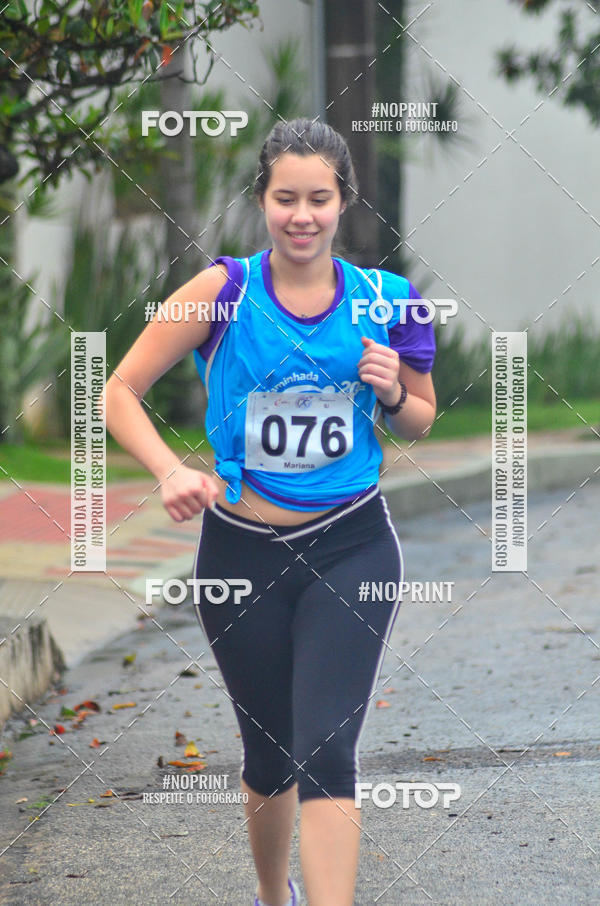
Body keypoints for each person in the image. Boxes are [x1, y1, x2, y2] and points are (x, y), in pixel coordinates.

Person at [103, 117, 436, 906]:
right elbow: (118, 391)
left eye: (319, 198)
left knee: (327, 748)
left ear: (343, 202)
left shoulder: (391, 301)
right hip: (240, 554)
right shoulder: (225, 292)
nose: (302, 215)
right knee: (269, 753)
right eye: (285, 197)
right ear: (263, 200)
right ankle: (271, 894)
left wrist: (392, 388)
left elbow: (419, 416)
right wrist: (168, 470)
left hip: (352, 547)